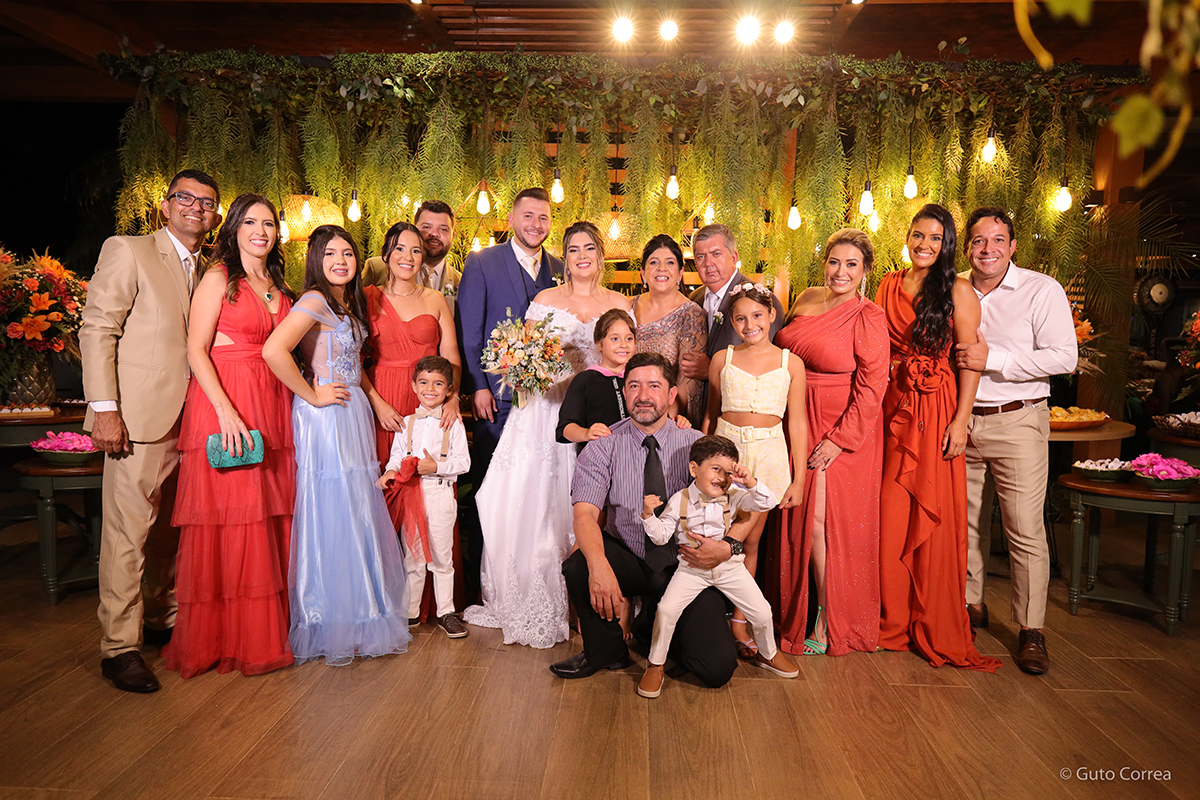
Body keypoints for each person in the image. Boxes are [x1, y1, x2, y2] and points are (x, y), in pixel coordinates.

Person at [81, 168, 223, 693]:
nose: (195, 208)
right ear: (165, 205)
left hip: (194, 420)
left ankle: (162, 618)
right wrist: (105, 408)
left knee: (172, 529)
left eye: (206, 203)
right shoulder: (129, 250)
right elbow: (98, 328)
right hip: (138, 419)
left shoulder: (212, 268)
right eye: (185, 198)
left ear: (215, 216)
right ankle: (119, 647)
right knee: (128, 533)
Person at [463, 221, 631, 648]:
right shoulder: (545, 300)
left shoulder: (619, 303)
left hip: (598, 413)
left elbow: (627, 359)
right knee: (541, 504)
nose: (581, 256)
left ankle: (595, 599)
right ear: (564, 257)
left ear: (601, 254)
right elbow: (525, 366)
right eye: (573, 249)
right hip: (547, 410)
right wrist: (540, 367)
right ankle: (549, 594)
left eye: (589, 248)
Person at [263, 225, 411, 665]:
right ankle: (330, 617)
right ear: (316, 259)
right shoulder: (313, 300)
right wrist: (312, 395)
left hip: (351, 411)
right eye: (330, 254)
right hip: (325, 416)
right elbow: (274, 351)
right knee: (334, 508)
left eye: (347, 253)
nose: (340, 261)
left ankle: (362, 610)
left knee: (356, 507)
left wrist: (375, 400)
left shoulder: (345, 302)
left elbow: (352, 364)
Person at [163, 193, 297, 678]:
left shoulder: (280, 284)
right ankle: (228, 638)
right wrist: (225, 411)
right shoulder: (219, 278)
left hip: (274, 402)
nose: (261, 231)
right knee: (235, 517)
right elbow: (196, 349)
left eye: (269, 223)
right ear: (235, 228)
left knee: (270, 513)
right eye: (251, 222)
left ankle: (271, 629)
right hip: (228, 401)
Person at [551, 353, 738, 687]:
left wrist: (728, 546)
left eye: (654, 386)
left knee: (716, 670)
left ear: (671, 394)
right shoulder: (602, 446)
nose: (643, 395)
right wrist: (599, 566)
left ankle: (651, 625)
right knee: (580, 565)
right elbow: (585, 513)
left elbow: (746, 506)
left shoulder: (696, 444)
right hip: (629, 553)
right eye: (634, 386)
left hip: (685, 563)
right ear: (625, 392)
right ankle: (606, 652)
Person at [875, 204, 1000, 672]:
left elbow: (970, 359)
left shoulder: (958, 290)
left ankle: (929, 618)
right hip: (892, 405)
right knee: (890, 512)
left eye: (934, 237)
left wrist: (961, 420)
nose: (923, 244)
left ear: (946, 245)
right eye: (917, 235)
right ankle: (892, 618)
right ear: (906, 237)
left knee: (929, 510)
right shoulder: (888, 284)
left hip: (935, 405)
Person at [955, 207, 1078, 675]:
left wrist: (995, 359)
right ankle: (970, 606)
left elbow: (1064, 357)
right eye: (978, 240)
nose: (987, 249)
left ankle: (1031, 629)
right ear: (968, 247)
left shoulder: (1040, 290)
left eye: (997, 240)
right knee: (966, 524)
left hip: (1018, 420)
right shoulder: (954, 288)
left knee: (1024, 529)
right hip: (961, 421)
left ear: (1012, 246)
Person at [775, 228, 888, 656]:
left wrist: (840, 440)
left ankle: (829, 618)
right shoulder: (805, 298)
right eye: (835, 262)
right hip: (795, 415)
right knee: (794, 514)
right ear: (824, 263)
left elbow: (873, 386)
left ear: (866, 270)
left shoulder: (868, 316)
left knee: (823, 522)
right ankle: (793, 610)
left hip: (838, 426)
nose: (841, 271)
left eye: (851, 264)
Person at [456, 187, 562, 592]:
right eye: (528, 216)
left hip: (546, 403)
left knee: (536, 491)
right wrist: (478, 387)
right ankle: (484, 583)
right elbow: (470, 333)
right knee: (491, 489)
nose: (536, 224)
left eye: (544, 218)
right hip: (496, 400)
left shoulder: (559, 267)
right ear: (512, 219)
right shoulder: (482, 262)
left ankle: (531, 579)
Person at [637, 435, 799, 698]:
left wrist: (749, 482)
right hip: (691, 571)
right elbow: (660, 536)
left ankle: (768, 654)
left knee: (762, 612)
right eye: (715, 469)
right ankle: (656, 665)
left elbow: (767, 503)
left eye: (728, 472)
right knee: (666, 610)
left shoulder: (735, 495)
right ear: (694, 469)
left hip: (730, 569)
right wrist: (648, 516)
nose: (722, 478)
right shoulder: (679, 499)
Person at [364, 220, 463, 622]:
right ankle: (386, 596)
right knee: (388, 490)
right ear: (386, 254)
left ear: (424, 257)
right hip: (384, 400)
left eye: (416, 250)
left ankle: (435, 605)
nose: (407, 257)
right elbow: (352, 357)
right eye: (400, 249)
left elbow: (452, 355)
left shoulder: (435, 299)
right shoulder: (367, 296)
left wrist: (452, 399)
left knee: (430, 492)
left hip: (430, 396)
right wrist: (376, 403)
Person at [703, 282, 806, 659]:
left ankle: (739, 619)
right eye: (741, 318)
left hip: (768, 457)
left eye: (758, 316)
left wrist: (799, 479)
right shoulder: (722, 359)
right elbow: (711, 414)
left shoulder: (790, 363)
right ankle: (708, 616)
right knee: (713, 533)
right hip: (725, 452)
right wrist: (702, 463)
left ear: (772, 315)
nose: (750, 325)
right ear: (731, 321)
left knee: (749, 542)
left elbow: (798, 423)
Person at [377, 355, 471, 639]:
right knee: (413, 557)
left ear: (449, 390)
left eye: (438, 384)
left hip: (439, 493)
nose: (430, 389)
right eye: (424, 382)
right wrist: (389, 471)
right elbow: (396, 456)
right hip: (411, 496)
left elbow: (464, 463)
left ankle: (446, 612)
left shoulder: (453, 424)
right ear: (414, 386)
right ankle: (411, 612)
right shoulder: (406, 423)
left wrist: (436, 466)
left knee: (442, 557)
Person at [678, 224, 785, 414]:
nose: (708, 263)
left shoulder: (761, 300)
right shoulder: (695, 299)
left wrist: (711, 369)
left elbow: (768, 368)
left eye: (716, 254)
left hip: (741, 414)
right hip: (697, 413)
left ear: (734, 257)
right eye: (701, 257)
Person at [631, 234, 708, 425]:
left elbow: (688, 381)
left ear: (680, 273)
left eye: (670, 262)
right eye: (654, 262)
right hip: (627, 407)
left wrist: (662, 420)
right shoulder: (628, 307)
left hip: (668, 416)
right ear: (643, 273)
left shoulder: (691, 314)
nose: (662, 268)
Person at [556, 308, 637, 454]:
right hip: (598, 458)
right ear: (599, 344)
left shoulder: (640, 378)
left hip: (637, 456)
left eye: (629, 339)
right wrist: (586, 433)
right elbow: (566, 428)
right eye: (615, 339)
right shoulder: (584, 381)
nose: (624, 344)